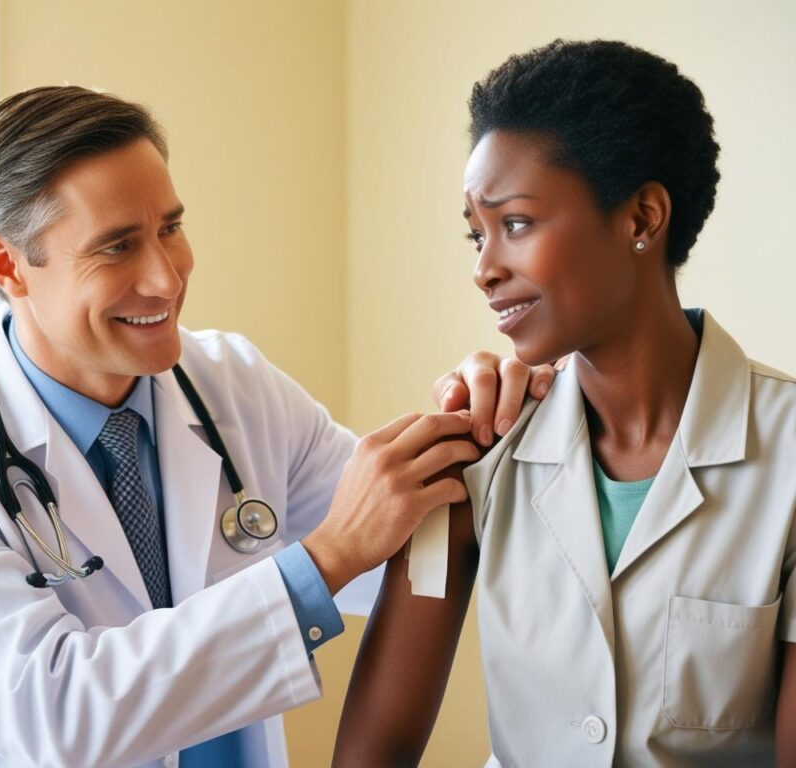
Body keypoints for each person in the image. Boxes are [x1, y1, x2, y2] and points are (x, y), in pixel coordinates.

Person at [0, 86, 549, 768]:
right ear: (6, 264)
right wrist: (324, 559)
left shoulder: (233, 386)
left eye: (170, 228)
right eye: (117, 246)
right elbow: (57, 714)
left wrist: (491, 432)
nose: (167, 279)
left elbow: (409, 543)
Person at [333, 40, 796, 767]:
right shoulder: (473, 459)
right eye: (475, 233)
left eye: (515, 223)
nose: (485, 269)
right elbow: (370, 754)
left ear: (643, 218)